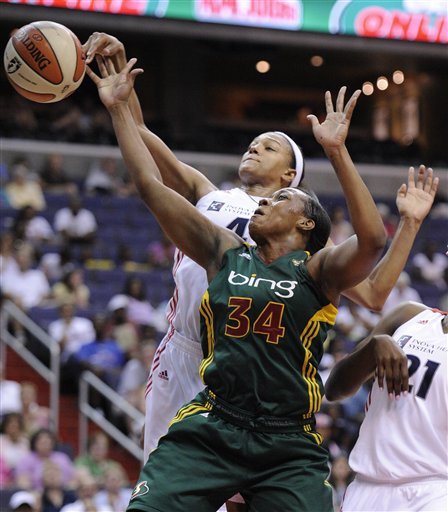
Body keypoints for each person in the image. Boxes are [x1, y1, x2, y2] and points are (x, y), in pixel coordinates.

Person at [82, 33, 439, 474]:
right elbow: (139, 136)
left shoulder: (300, 234)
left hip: (248, 362)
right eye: (253, 143)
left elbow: (372, 293)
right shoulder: (207, 192)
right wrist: (123, 80)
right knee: (166, 484)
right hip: (186, 350)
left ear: (290, 174)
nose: (254, 147)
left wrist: (407, 225)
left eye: (269, 146)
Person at [325, 300, 448, 512]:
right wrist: (372, 348)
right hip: (367, 486)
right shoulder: (409, 315)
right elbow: (335, 389)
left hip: (434, 491)